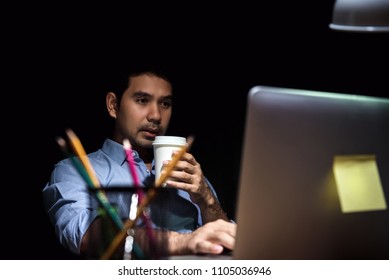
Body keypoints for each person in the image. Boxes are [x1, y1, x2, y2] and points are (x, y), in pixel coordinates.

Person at [42, 64, 236, 259]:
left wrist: (206, 198)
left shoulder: (188, 172)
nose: (156, 116)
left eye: (165, 103)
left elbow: (232, 243)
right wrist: (186, 241)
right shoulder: (75, 170)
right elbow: (86, 236)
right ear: (113, 105)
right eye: (142, 100)